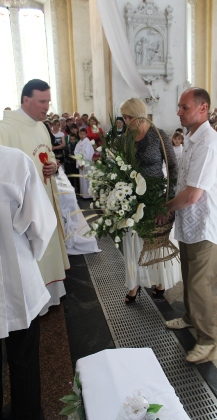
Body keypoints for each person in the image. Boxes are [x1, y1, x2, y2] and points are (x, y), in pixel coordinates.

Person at [159, 87, 217, 363]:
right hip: (191, 222)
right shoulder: (192, 138)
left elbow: (193, 194)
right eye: (179, 106)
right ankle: (190, 317)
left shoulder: (210, 143)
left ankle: (207, 340)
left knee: (199, 283)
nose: (179, 112)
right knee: (189, 276)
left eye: (184, 107)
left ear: (203, 109)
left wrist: (163, 210)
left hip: (205, 223)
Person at [0, 79, 70, 311]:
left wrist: (54, 166)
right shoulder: (6, 129)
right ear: (26, 100)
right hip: (24, 213)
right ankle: (34, 303)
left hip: (46, 201)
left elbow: (47, 157)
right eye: (42, 101)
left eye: (48, 101)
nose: (46, 107)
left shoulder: (41, 126)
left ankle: (51, 295)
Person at [0, 145, 57, 420]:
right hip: (16, 280)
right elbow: (41, 225)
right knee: (23, 358)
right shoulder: (14, 161)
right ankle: (28, 414)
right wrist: (27, 257)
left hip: (16, 277)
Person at [120, 98, 180, 303]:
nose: (125, 121)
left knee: (157, 241)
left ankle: (160, 280)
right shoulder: (125, 137)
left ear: (138, 115)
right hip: (132, 197)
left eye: (128, 116)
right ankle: (133, 284)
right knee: (133, 241)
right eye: (124, 117)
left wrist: (168, 201)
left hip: (156, 197)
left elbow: (173, 167)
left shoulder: (159, 135)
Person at [74, 127, 94, 198]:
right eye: (80, 134)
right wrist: (79, 162)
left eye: (83, 134)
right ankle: (84, 194)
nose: (82, 135)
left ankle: (89, 195)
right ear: (79, 134)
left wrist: (83, 163)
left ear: (86, 135)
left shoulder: (87, 142)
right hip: (80, 163)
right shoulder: (79, 143)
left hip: (86, 164)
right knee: (82, 179)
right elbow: (76, 152)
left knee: (87, 179)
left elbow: (88, 154)